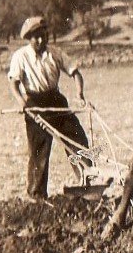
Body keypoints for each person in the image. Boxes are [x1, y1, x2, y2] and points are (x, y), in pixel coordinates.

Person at [8, 16, 91, 200]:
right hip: (35, 104)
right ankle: (37, 195)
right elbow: (14, 84)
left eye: (43, 35)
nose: (40, 40)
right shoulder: (20, 57)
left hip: (56, 101)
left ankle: (87, 184)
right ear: (29, 38)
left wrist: (79, 94)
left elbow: (75, 73)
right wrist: (23, 104)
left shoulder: (55, 53)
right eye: (36, 37)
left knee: (77, 139)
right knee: (39, 150)